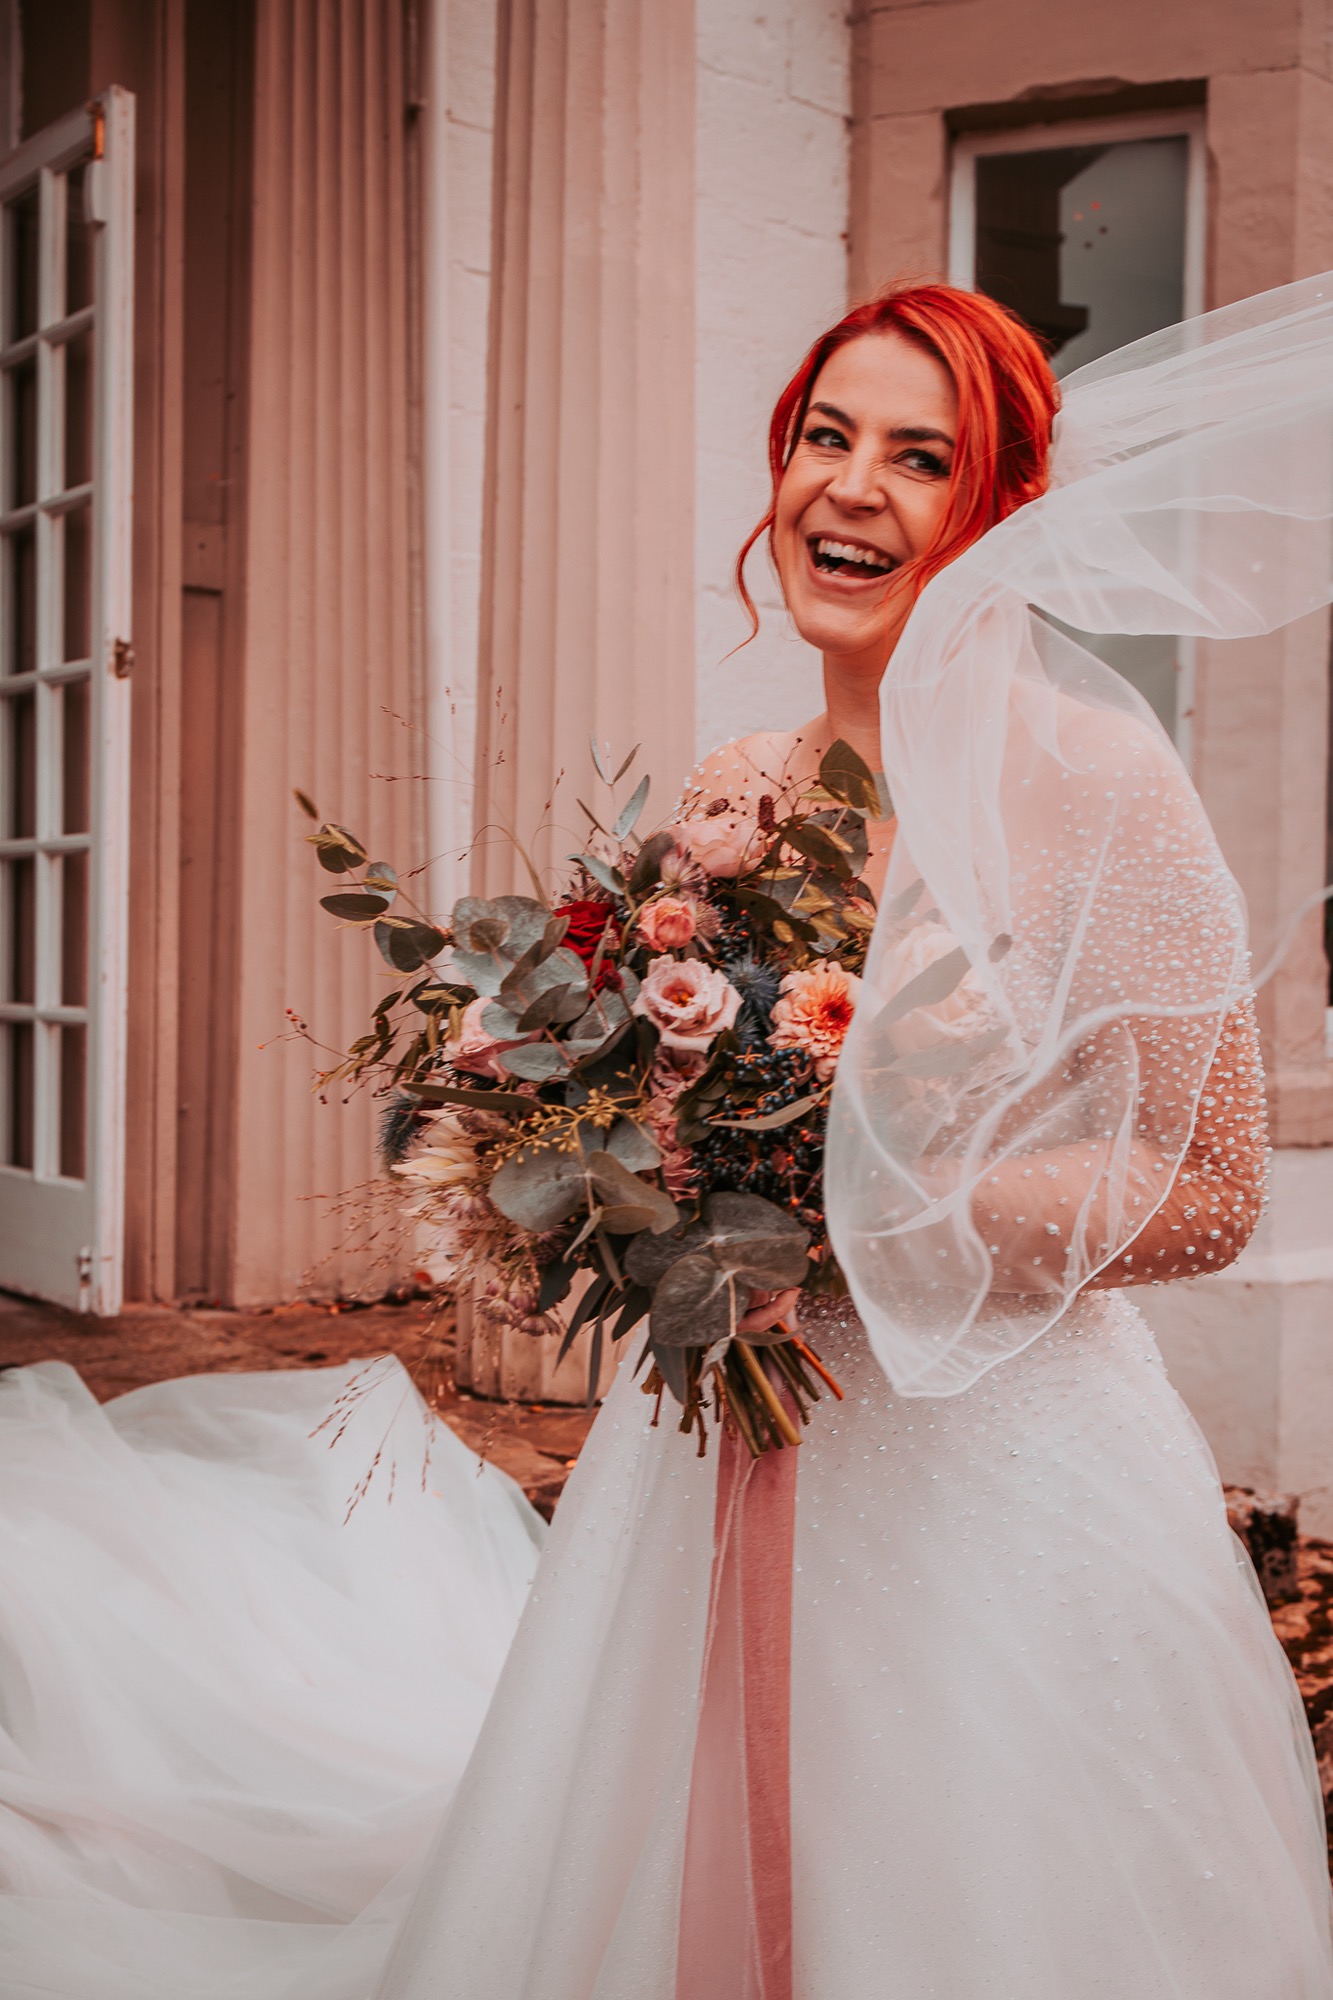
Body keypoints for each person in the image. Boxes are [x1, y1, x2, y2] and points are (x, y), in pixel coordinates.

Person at [373, 283, 1333, 1998]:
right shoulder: (735, 781)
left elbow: (1206, 1189)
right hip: (730, 1448)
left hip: (999, 1460)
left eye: (919, 457)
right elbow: (653, 1091)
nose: (850, 490)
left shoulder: (1104, 784)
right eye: (825, 438)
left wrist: (856, 1220)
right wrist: (602, 1202)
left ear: (1005, 513)